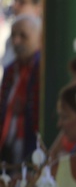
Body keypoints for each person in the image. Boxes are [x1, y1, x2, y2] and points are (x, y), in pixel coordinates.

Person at [0, 13, 39, 166]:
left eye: (23, 36)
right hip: (9, 143)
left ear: (38, 38)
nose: (16, 41)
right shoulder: (11, 70)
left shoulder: (41, 69)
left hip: (31, 145)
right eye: (14, 36)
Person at [1, 0, 41, 68]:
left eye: (22, 1)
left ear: (38, 7)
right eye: (14, 0)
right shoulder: (10, 39)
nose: (15, 6)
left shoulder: (45, 38)